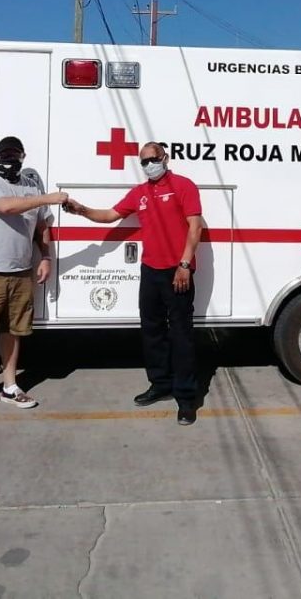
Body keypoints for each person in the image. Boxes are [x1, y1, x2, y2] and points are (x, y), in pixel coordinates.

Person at [64, 142, 205, 425]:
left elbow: (195, 225)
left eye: (153, 159)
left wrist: (185, 264)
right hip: (150, 271)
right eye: (144, 162)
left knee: (181, 335)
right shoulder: (139, 193)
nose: (150, 164)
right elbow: (109, 215)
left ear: (165, 157)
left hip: (177, 272)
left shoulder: (183, 185)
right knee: (151, 331)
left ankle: (186, 398)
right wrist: (80, 209)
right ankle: (160, 384)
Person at [0, 136, 68, 421]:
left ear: (23, 156)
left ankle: (10, 386)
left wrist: (45, 256)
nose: (9, 158)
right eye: (4, 153)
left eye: (14, 153)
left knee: (14, 331)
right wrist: (49, 197)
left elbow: (42, 226)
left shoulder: (30, 187)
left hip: (20, 271)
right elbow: (7, 207)